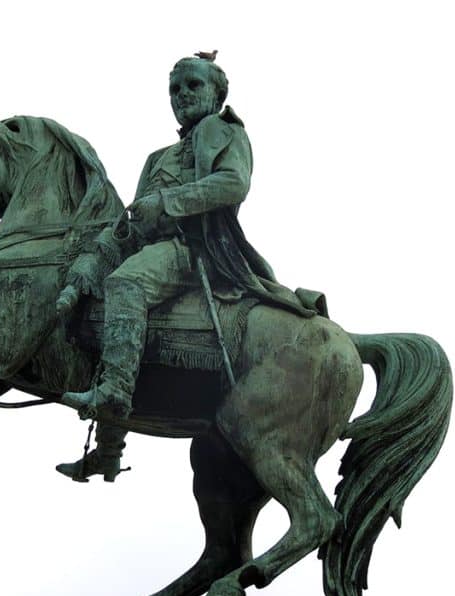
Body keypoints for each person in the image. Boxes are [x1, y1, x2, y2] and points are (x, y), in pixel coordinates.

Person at [60, 52, 317, 422]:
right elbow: (138, 222)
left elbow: (234, 183)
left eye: (194, 84)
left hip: (195, 249)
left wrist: (167, 200)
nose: (182, 94)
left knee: (126, 284)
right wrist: (103, 248)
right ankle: (108, 448)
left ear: (217, 93)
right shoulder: (156, 157)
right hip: (156, 247)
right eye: (174, 89)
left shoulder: (226, 129)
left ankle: (115, 389)